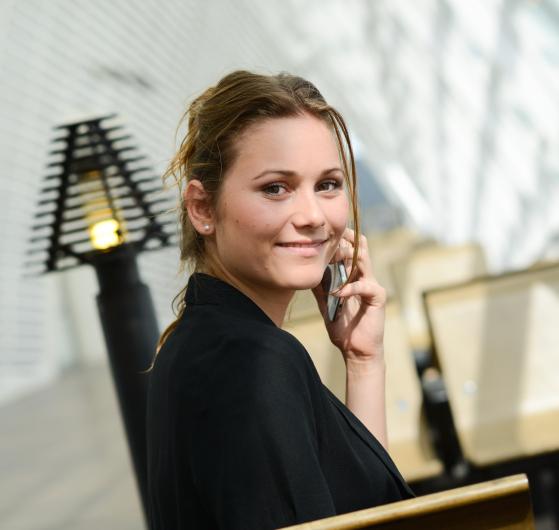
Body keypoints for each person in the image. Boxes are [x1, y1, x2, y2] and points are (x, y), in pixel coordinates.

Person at [146, 70, 414, 530]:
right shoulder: (254, 360)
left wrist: (363, 361)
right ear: (203, 209)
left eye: (327, 184)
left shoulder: (202, 345)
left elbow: (368, 514)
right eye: (276, 188)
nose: (312, 216)